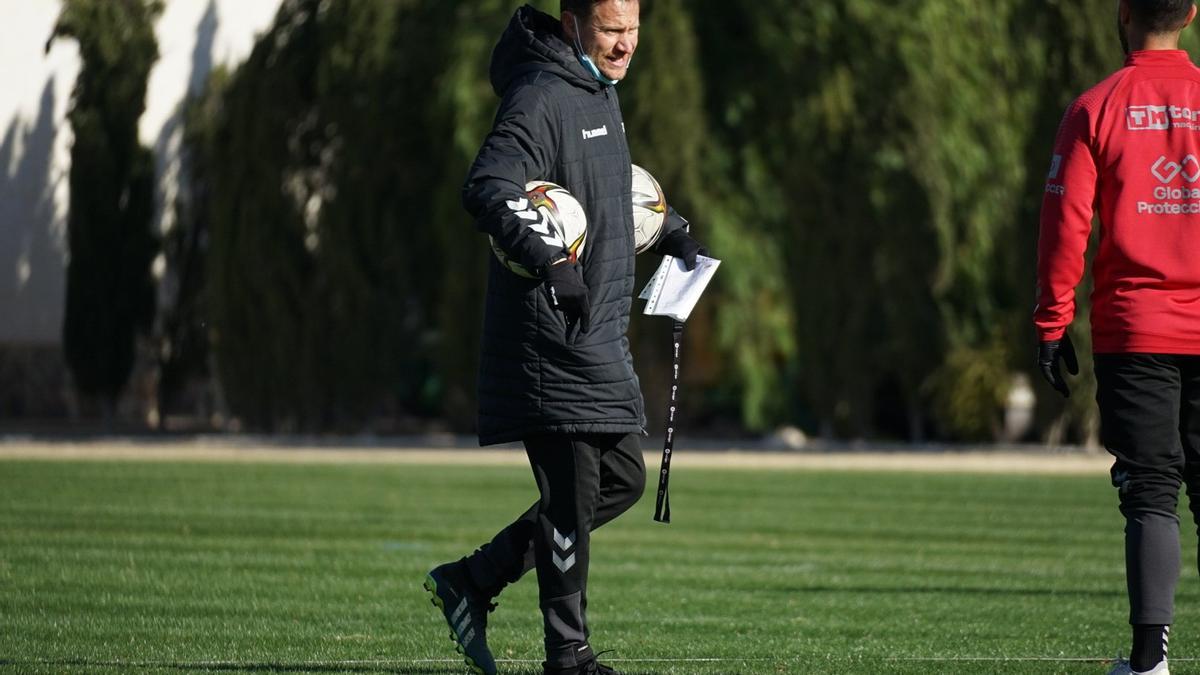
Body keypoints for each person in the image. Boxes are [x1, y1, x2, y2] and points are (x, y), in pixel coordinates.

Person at [422, 1, 705, 674]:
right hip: (548, 341)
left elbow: (605, 197)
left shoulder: (599, 95)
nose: (626, 45)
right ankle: (567, 656)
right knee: (573, 493)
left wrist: (671, 230)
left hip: (596, 336)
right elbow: (488, 184)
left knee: (619, 479)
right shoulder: (541, 95)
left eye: (634, 29)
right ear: (573, 22)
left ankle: (476, 578)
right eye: (612, 30)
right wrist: (551, 261)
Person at [1036, 1, 1200, 673]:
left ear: (1124, 12)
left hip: (1137, 329)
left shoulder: (1095, 107)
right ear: (1190, 14)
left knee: (1152, 490)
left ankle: (1148, 661)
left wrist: (1051, 320)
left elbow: (1064, 222)